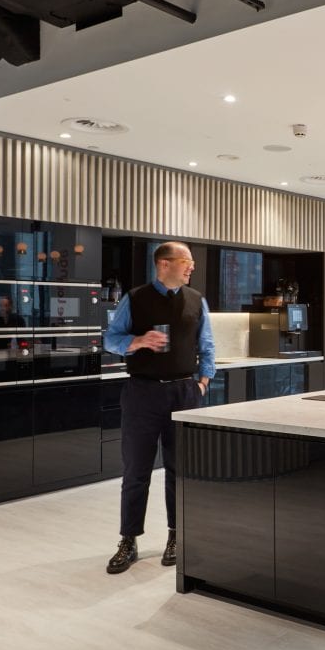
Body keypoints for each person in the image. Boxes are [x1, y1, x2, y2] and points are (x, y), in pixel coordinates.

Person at [102, 241, 215, 574]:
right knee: (136, 471)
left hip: (184, 393)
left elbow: (207, 345)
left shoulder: (197, 300)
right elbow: (110, 339)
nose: (192, 267)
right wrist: (137, 341)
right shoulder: (135, 298)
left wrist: (203, 382)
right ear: (164, 264)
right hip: (142, 393)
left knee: (181, 469)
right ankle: (128, 540)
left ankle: (177, 535)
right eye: (186, 261)